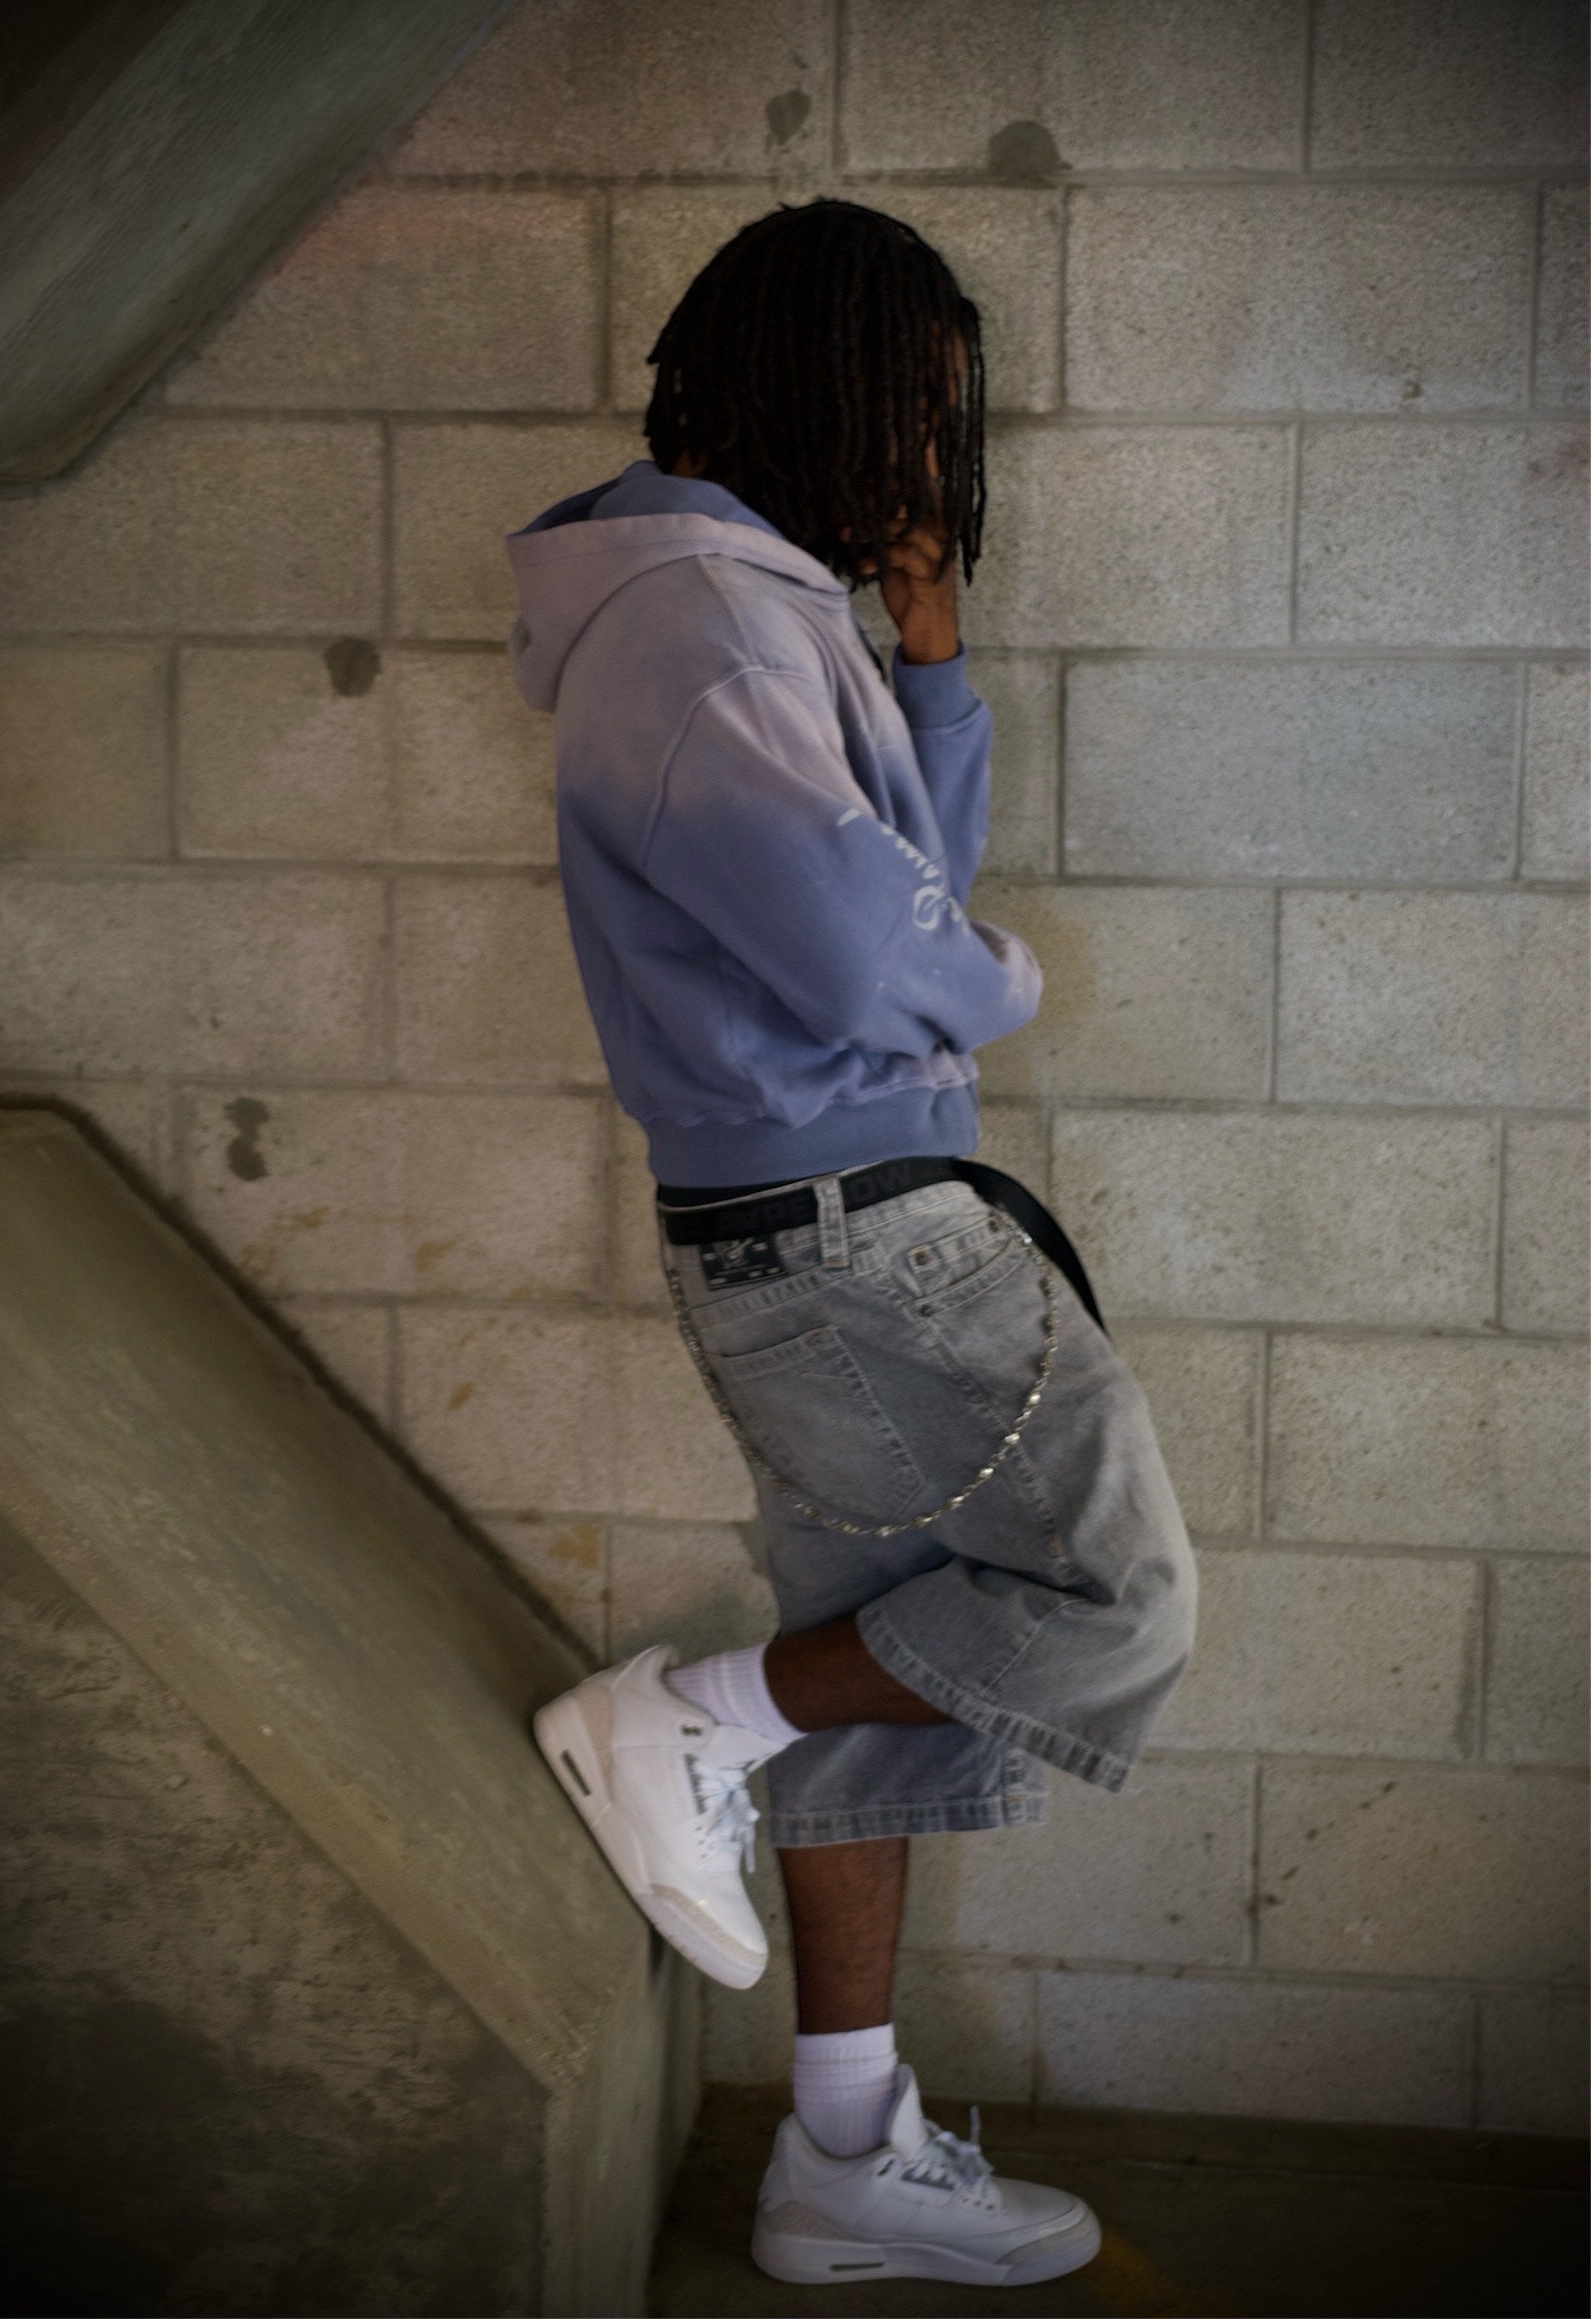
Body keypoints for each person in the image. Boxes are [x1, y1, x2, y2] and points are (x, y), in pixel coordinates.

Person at [505, 197, 1197, 2289]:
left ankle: (833, 2155)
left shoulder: (741, 605)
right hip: (847, 1233)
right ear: (807, 387)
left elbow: (889, 884)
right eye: (911, 407)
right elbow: (872, 952)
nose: (924, 457)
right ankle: (689, 1719)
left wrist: (932, 670)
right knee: (1111, 1594)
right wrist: (1001, 986)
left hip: (818, 1218)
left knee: (876, 1694)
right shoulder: (696, 624)